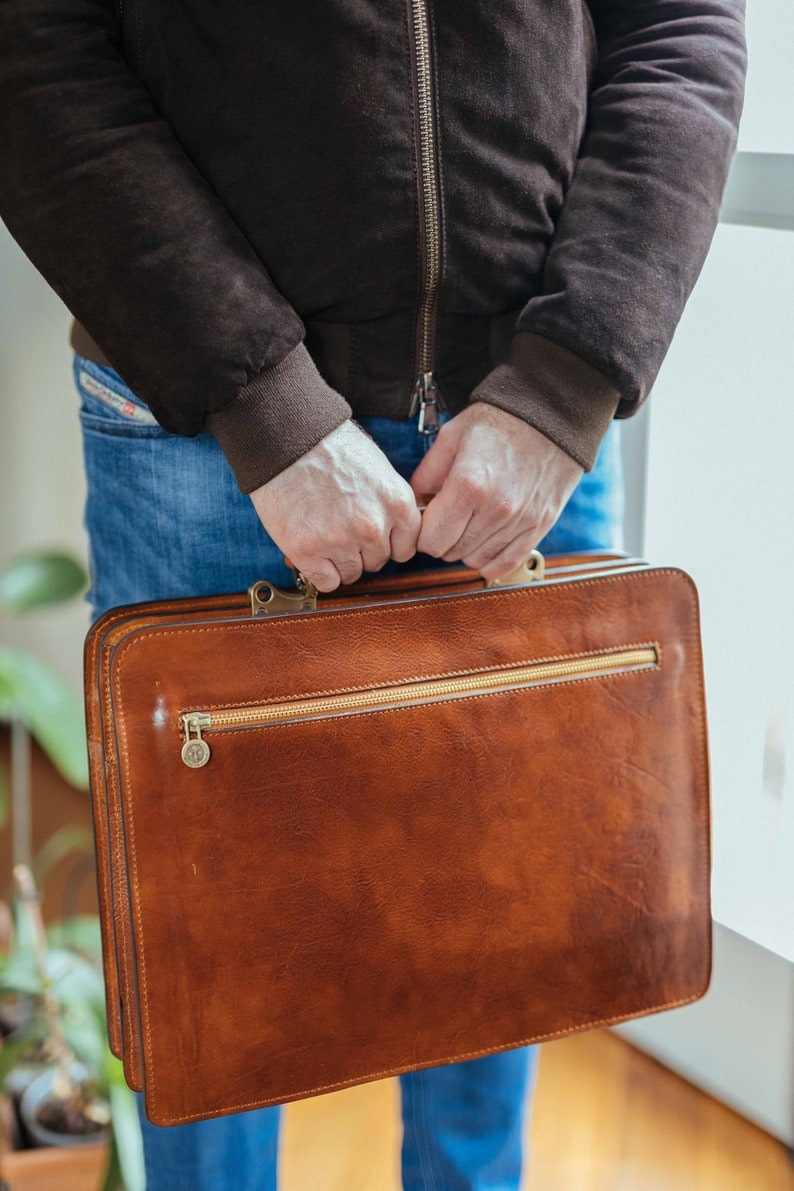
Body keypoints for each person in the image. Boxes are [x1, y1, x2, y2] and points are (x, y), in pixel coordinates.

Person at [0, 2, 746, 1189]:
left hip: (528, 433)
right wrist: (264, 405)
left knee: (504, 947)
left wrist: (566, 385)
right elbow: (34, 46)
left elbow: (681, 30)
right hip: (205, 430)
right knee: (214, 989)